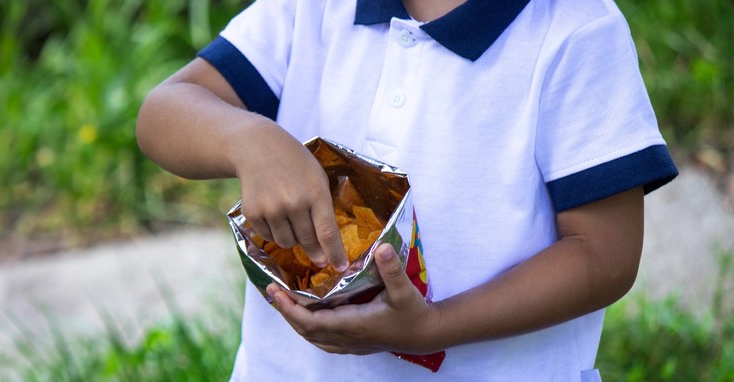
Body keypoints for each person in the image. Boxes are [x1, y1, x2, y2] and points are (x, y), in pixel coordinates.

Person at [135, 0, 679, 380]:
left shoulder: (577, 30)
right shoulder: (310, 8)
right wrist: (247, 138)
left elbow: (605, 256)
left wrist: (435, 327)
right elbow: (163, 111)